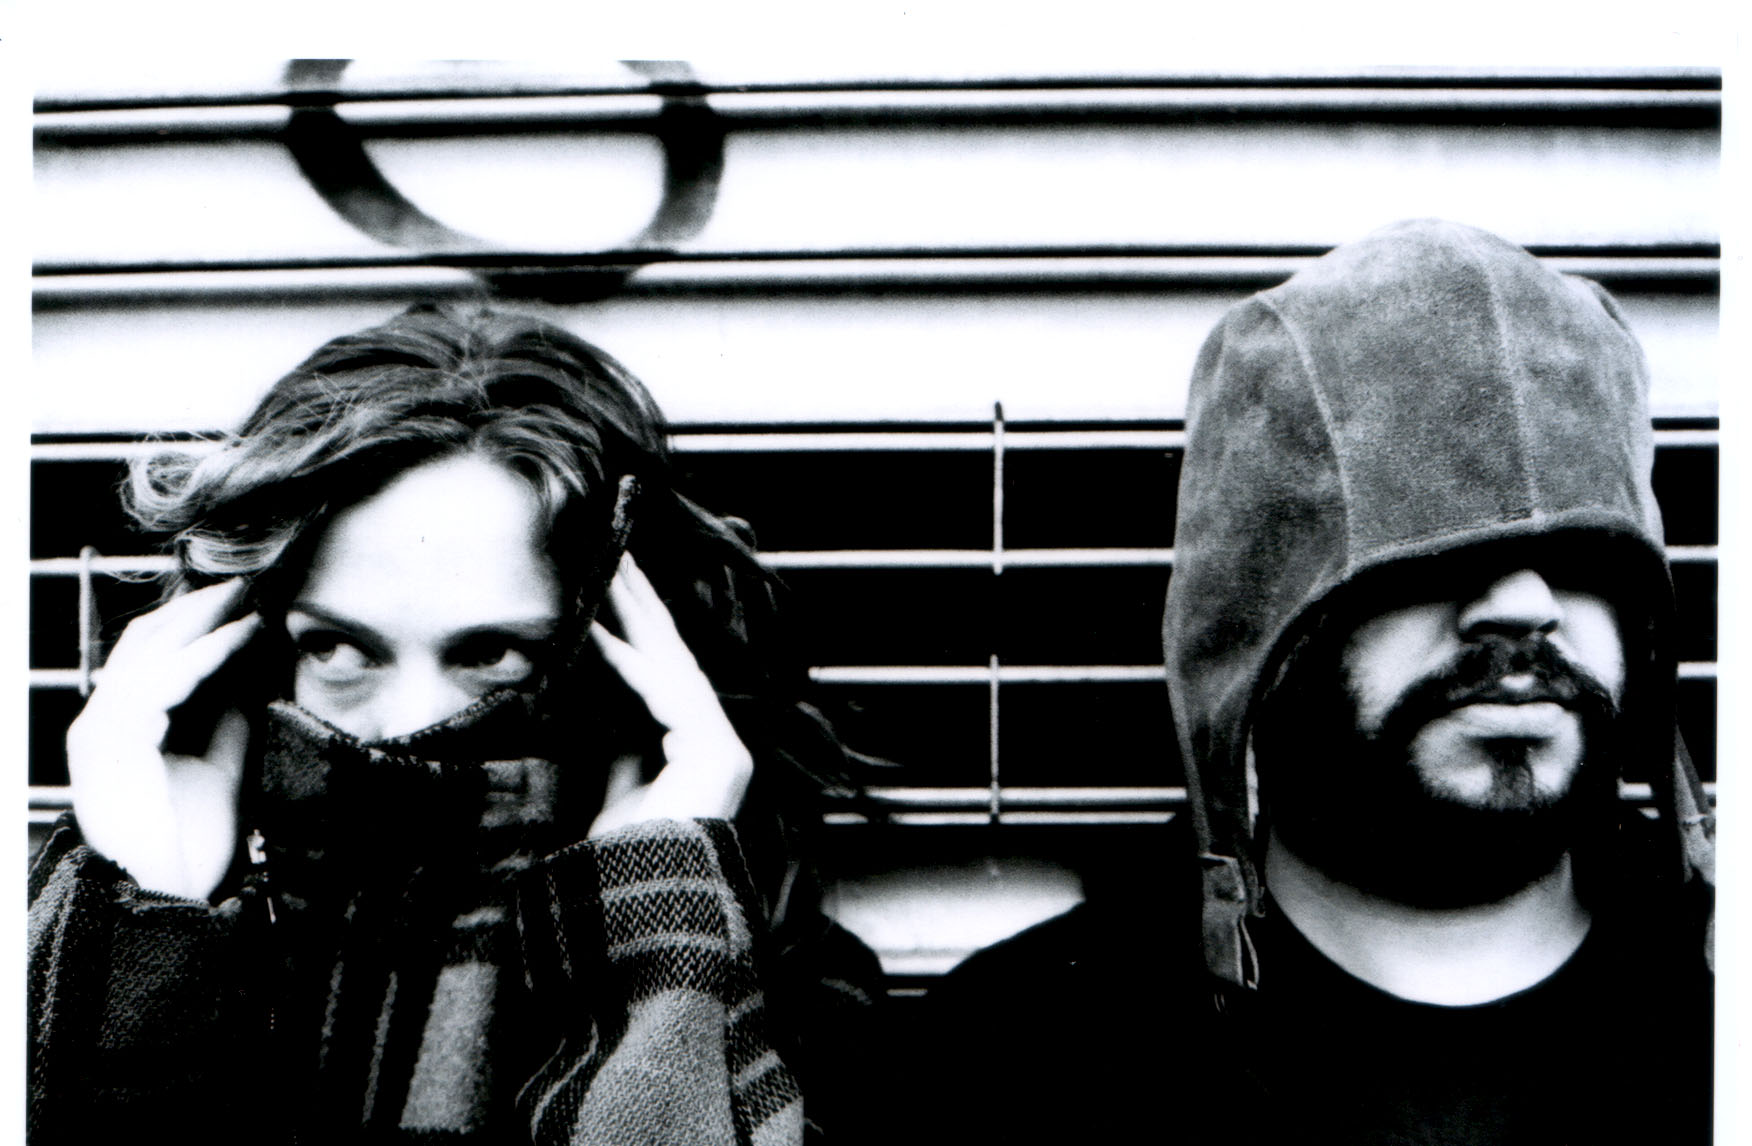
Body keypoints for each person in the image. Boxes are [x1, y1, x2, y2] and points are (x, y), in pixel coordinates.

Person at [910, 220, 1716, 1143]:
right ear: (1263, 628)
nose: (1525, 605)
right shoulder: (1010, 1066)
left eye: (1580, 554)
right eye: (1433, 549)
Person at [28, 305, 884, 1144]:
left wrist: (652, 928)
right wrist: (151, 915)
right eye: (336, 647)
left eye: (493, 653)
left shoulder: (795, 1001)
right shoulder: (81, 954)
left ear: (630, 675)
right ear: (244, 663)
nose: (413, 723)